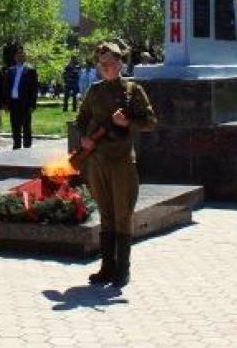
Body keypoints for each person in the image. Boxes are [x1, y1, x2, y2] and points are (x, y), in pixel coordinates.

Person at [76, 41, 157, 287]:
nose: (106, 68)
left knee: (122, 215)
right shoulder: (94, 90)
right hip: (97, 161)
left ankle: (123, 269)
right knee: (106, 214)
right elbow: (82, 119)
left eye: (110, 63)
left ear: (120, 63)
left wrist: (127, 122)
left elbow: (151, 121)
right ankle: (106, 267)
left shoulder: (133, 89)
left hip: (122, 161)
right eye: (102, 64)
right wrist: (85, 139)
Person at [3, 45, 38, 150]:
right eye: (17, 55)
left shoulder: (30, 71)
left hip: (25, 103)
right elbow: (6, 87)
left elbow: (34, 89)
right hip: (13, 102)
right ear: (15, 57)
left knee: (26, 126)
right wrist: (6, 103)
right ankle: (16, 146)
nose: (19, 57)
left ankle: (27, 146)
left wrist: (32, 104)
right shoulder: (10, 70)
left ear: (25, 58)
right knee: (15, 126)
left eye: (21, 55)